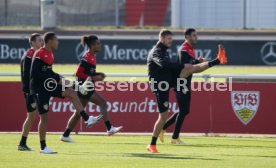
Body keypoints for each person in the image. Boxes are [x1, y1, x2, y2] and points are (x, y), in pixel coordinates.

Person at [146, 29, 227, 153]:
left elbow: (168, 65)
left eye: (171, 39)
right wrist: (183, 66)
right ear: (161, 38)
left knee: (189, 69)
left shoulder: (164, 50)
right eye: (168, 39)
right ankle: (153, 144)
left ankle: (218, 60)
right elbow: (164, 65)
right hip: (160, 85)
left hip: (167, 82)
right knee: (164, 116)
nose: (171, 41)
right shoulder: (157, 51)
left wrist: (188, 65)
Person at [30, 32, 102, 154]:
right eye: (56, 40)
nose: (58, 42)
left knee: (71, 92)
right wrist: (57, 78)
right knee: (44, 118)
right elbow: (36, 74)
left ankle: (87, 118)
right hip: (39, 89)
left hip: (49, 85)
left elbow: (49, 72)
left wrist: (59, 79)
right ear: (50, 41)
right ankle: (43, 147)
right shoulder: (40, 53)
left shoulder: (50, 54)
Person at [60, 35, 123, 143]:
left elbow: (88, 73)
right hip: (85, 87)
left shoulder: (91, 56)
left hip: (86, 86)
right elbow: (78, 73)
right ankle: (109, 128)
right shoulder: (88, 56)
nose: (100, 45)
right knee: (103, 103)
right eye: (98, 43)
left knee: (78, 113)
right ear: (93, 45)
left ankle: (65, 135)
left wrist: (98, 75)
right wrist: (94, 78)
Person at [18, 33, 43, 151]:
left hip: (31, 90)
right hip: (30, 91)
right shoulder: (30, 55)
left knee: (31, 116)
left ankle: (22, 143)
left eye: (42, 40)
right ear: (33, 43)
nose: (42, 42)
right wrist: (31, 91)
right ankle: (23, 143)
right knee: (32, 116)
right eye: (39, 41)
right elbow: (27, 74)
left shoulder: (33, 54)